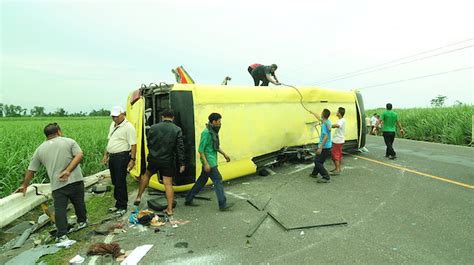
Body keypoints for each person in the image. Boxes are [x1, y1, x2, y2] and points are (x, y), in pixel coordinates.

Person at [15, 123, 87, 243]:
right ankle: (82, 222)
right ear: (59, 131)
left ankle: (62, 234)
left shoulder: (40, 149)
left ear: (47, 135)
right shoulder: (69, 141)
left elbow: (31, 170)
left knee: (60, 209)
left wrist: (24, 185)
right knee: (79, 202)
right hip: (75, 180)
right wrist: (68, 171)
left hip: (57, 185)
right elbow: (79, 155)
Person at [134, 109, 185, 216]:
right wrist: (182, 163)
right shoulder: (177, 129)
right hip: (168, 160)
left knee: (147, 175)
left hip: (154, 158)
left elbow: (149, 142)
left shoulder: (153, 127)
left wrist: (153, 152)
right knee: (168, 184)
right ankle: (169, 209)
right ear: (173, 118)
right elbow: (180, 148)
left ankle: (139, 196)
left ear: (162, 117)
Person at [184, 113, 234, 211]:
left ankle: (188, 199)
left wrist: (224, 154)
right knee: (218, 180)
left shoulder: (213, 132)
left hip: (211, 160)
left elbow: (215, 146)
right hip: (209, 162)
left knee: (202, 180)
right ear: (213, 122)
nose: (220, 123)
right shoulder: (206, 133)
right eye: (219, 121)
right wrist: (206, 163)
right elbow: (201, 150)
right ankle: (223, 205)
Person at [103, 106, 137, 215]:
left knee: (120, 181)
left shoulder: (128, 127)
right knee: (114, 181)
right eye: (113, 116)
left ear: (123, 114)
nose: (114, 118)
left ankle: (122, 206)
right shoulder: (112, 125)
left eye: (117, 116)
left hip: (122, 157)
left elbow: (133, 144)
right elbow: (110, 141)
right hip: (113, 157)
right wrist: (106, 155)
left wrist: (132, 159)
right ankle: (118, 204)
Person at [309, 109, 332, 183]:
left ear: (323, 114)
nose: (320, 113)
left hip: (324, 147)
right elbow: (319, 117)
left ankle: (326, 177)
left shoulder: (324, 125)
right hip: (327, 146)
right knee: (320, 161)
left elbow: (326, 136)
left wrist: (320, 148)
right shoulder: (327, 122)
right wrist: (313, 112)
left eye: (321, 112)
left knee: (317, 162)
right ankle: (314, 173)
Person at [330, 107, 346, 175]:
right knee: (338, 154)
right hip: (339, 140)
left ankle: (337, 169)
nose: (336, 112)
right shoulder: (341, 120)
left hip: (337, 140)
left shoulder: (341, 120)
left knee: (335, 155)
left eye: (337, 111)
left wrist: (330, 125)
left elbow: (337, 125)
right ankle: (338, 168)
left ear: (339, 113)